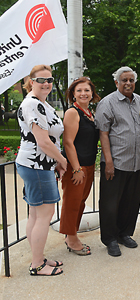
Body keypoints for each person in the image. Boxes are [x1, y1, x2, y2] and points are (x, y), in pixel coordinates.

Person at [95, 66, 140, 257]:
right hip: (116, 163)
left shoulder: (139, 101)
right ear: (117, 83)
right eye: (124, 80)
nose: (128, 83)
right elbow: (103, 134)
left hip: (136, 162)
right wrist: (109, 162)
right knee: (110, 203)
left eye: (131, 80)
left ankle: (124, 234)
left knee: (131, 201)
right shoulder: (107, 103)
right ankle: (110, 239)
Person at [16, 65, 66, 276]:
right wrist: (62, 160)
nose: (46, 83)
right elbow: (44, 142)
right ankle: (37, 264)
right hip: (37, 165)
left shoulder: (40, 103)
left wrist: (55, 161)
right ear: (31, 81)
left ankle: (38, 256)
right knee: (45, 214)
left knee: (36, 214)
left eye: (50, 80)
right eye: (41, 80)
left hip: (38, 164)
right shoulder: (33, 104)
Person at [59, 77, 101, 256]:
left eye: (87, 90)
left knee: (81, 202)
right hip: (76, 167)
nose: (83, 93)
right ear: (73, 94)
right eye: (79, 91)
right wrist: (76, 169)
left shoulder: (89, 112)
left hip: (88, 164)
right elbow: (68, 142)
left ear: (92, 93)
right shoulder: (72, 112)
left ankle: (71, 234)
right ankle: (71, 237)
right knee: (72, 203)